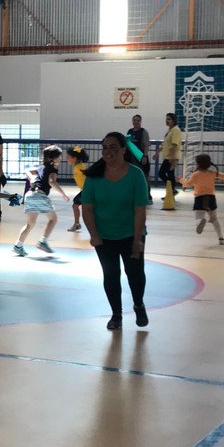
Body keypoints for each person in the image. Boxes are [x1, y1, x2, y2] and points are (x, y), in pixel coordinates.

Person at [81, 132, 149, 331]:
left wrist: (137, 240)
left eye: (113, 147)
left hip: (131, 233)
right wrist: (94, 235)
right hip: (104, 236)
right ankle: (116, 314)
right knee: (110, 275)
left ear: (123, 150)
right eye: (105, 147)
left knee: (135, 274)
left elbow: (140, 210)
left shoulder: (135, 175)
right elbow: (87, 208)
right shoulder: (94, 177)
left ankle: (138, 304)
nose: (108, 151)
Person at [12, 144, 69, 257]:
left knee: (30, 224)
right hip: (40, 195)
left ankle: (18, 245)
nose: (60, 158)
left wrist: (31, 178)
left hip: (30, 195)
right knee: (53, 219)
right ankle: (43, 241)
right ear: (53, 158)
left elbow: (27, 170)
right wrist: (63, 193)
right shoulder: (53, 169)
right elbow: (52, 181)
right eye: (59, 156)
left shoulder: (40, 167)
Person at [178, 154, 224, 245]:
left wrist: (181, 180)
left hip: (199, 198)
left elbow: (188, 184)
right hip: (211, 198)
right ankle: (221, 238)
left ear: (198, 164)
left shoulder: (196, 174)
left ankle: (200, 221)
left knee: (198, 217)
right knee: (214, 220)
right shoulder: (212, 173)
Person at [126, 114, 152, 204]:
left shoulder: (143, 132)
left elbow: (146, 145)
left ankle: (148, 196)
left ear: (140, 121)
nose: (136, 122)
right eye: (134, 120)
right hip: (131, 158)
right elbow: (127, 144)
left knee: (144, 176)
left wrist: (145, 156)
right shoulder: (129, 131)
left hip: (140, 157)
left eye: (138, 120)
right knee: (132, 176)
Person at [65, 145, 89, 232]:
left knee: (79, 207)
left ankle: (77, 224)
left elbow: (88, 175)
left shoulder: (79, 167)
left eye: (68, 157)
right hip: (84, 191)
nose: (67, 159)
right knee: (75, 206)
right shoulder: (78, 166)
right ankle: (77, 224)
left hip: (87, 191)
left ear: (74, 158)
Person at [158, 112, 182, 200]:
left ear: (174, 120)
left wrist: (172, 157)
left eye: (169, 119)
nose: (167, 121)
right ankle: (171, 193)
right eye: (166, 119)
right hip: (168, 156)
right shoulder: (170, 130)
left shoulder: (176, 130)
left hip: (171, 157)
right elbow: (165, 143)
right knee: (170, 175)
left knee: (161, 173)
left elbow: (175, 144)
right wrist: (157, 152)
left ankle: (172, 190)